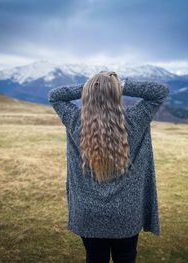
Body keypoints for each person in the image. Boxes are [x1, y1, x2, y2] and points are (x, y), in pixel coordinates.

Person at [48, 71, 169, 263]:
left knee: (95, 258)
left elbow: (55, 95)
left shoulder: (76, 121)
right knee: (126, 258)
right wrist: (116, 86)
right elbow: (160, 91)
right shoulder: (134, 120)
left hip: (88, 213)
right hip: (126, 214)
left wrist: (92, 88)